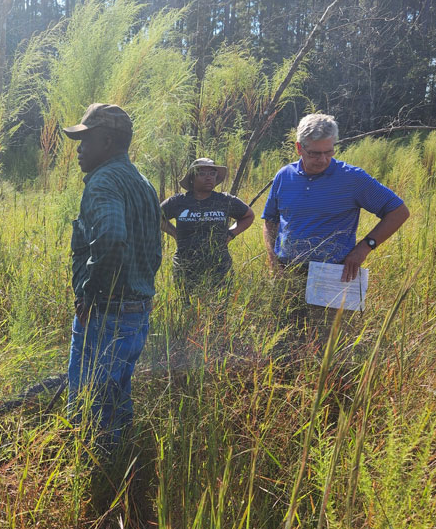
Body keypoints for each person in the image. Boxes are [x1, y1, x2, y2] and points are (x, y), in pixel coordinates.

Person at [63, 103, 162, 449]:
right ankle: (117, 466)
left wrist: (89, 294)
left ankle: (92, 475)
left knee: (89, 404)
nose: (79, 149)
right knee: (117, 397)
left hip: (105, 313)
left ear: (106, 141)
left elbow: (110, 238)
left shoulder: (103, 182)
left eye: (85, 140)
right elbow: (152, 250)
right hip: (136, 311)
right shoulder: (142, 183)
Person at [262, 113, 410, 341]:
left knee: (329, 344)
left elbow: (398, 212)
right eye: (315, 153)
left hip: (332, 275)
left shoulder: (352, 178)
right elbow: (270, 219)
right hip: (287, 273)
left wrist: (364, 248)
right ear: (299, 148)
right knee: (284, 340)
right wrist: (273, 261)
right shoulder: (284, 176)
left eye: (329, 151)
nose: (323, 159)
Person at [160, 158, 255, 293]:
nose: (208, 177)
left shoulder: (225, 200)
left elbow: (249, 216)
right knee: (188, 309)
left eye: (212, 173)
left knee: (219, 309)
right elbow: (155, 216)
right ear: (192, 178)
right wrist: (175, 233)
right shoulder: (178, 201)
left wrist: (231, 234)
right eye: (202, 174)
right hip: (186, 266)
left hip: (219, 267)